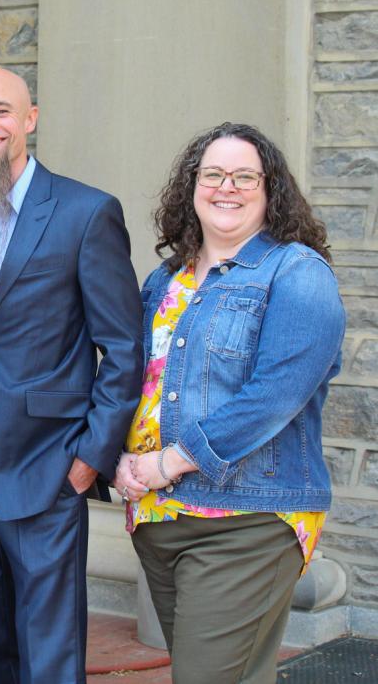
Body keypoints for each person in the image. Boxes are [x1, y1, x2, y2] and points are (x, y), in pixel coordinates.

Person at [0, 67, 143, 683]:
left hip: (48, 467)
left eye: (1, 110)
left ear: (30, 119)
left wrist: (89, 458)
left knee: (50, 654)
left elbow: (123, 347)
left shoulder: (86, 211)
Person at [112, 122, 345, 684]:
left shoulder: (296, 273)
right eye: (213, 174)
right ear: (192, 186)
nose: (227, 187)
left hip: (247, 519)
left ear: (271, 191)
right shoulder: (164, 280)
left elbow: (273, 397)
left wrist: (167, 463)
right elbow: (133, 382)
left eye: (246, 176)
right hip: (159, 517)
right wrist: (115, 457)